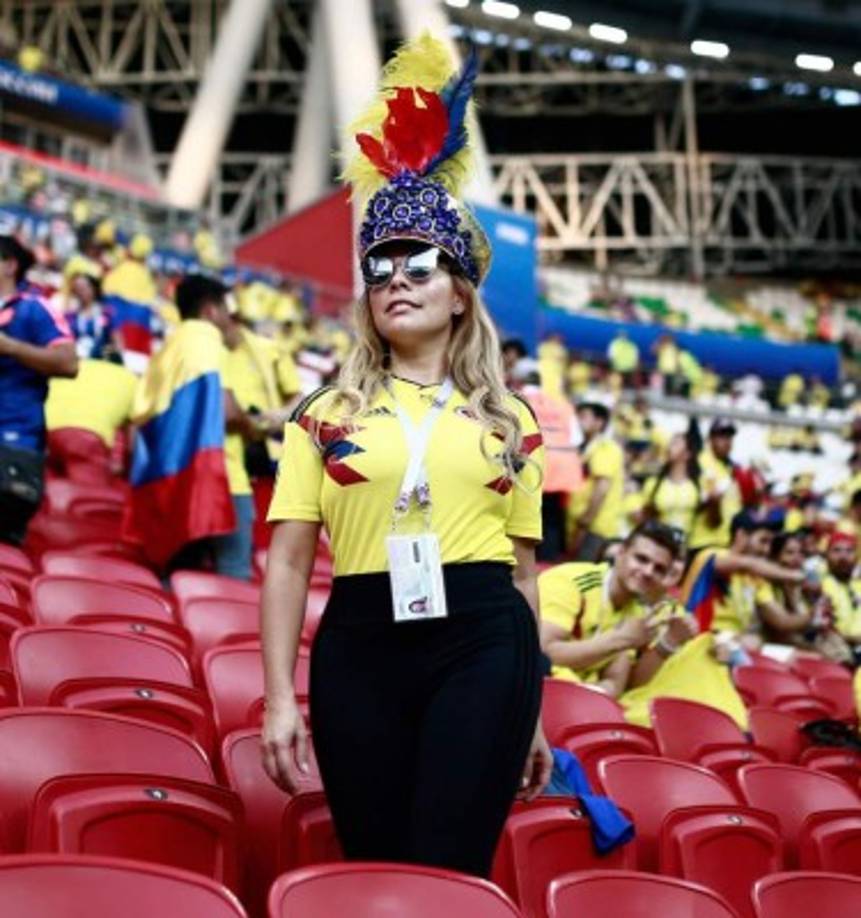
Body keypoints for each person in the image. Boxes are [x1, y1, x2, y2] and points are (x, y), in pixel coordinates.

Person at [260, 35, 550, 880]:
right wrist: (280, 698)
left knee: (447, 864)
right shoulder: (324, 412)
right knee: (377, 863)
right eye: (379, 264)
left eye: (420, 262)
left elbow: (524, 576)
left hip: (483, 639)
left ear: (461, 292)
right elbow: (285, 567)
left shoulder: (510, 420)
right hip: (358, 641)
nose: (396, 277)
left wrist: (531, 713)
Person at [125, 274, 258, 576]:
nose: (230, 319)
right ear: (211, 311)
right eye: (226, 310)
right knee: (232, 582)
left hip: (171, 488)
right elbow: (226, 412)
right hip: (220, 482)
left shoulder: (166, 350)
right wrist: (253, 427)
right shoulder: (206, 340)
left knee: (179, 580)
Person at [538, 521, 684, 697]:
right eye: (641, 559)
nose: (648, 571)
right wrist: (622, 638)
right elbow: (543, 654)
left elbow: (616, 683)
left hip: (578, 698)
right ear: (620, 552)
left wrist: (669, 642)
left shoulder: (637, 612)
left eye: (659, 569)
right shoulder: (571, 582)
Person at [0, 235, 77, 544]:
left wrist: (9, 346)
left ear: (9, 265)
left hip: (13, 443)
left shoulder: (34, 308)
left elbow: (69, 362)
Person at [511, 358, 581, 561]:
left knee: (529, 518)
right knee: (553, 520)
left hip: (536, 465)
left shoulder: (516, 399)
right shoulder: (562, 404)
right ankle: (550, 561)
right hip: (566, 470)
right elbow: (576, 438)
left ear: (518, 380)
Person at [45, 357, 137, 485]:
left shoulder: (70, 367)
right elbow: (131, 446)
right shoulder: (130, 378)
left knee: (42, 497)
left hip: (43, 434)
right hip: (86, 438)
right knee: (90, 499)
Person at [569, 397, 625, 560]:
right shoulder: (586, 447)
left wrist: (584, 523)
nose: (579, 421)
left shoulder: (606, 448)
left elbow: (601, 489)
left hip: (595, 529)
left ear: (599, 422)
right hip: (584, 527)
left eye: (584, 416)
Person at [689, 417, 742, 550]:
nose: (727, 442)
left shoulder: (729, 467)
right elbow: (702, 501)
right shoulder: (701, 463)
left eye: (729, 437)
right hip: (704, 540)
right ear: (710, 438)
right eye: (721, 437)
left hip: (725, 541)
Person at [641, 432, 700, 539]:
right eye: (670, 443)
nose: (669, 447)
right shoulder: (652, 484)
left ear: (687, 453)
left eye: (675, 444)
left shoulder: (696, 487)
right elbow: (643, 518)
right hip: (658, 543)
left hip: (683, 547)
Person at [821, 531, 861, 661]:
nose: (843, 556)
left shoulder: (858, 585)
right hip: (838, 649)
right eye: (836, 550)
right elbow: (823, 628)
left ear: (856, 556)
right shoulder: (819, 586)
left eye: (849, 551)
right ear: (826, 555)